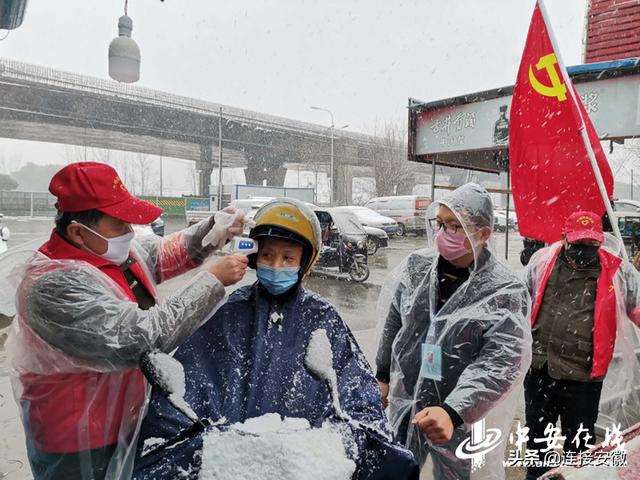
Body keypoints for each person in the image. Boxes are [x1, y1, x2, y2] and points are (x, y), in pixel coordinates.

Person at [134, 198, 418, 479]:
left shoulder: (323, 320)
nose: (276, 264)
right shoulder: (229, 314)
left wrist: (335, 443)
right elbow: (186, 393)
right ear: (256, 256)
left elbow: (358, 400)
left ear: (305, 261)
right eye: (268, 255)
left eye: (287, 258)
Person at [8, 162, 249, 480]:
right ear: (78, 231)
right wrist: (212, 281)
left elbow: (165, 253)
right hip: (76, 440)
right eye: (120, 225)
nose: (129, 234)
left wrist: (214, 230)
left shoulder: (108, 251)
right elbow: (144, 337)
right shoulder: (53, 285)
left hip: (123, 419)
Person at [376, 183, 532, 479]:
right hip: (408, 396)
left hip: (459, 413)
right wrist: (383, 375)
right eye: (440, 224)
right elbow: (396, 323)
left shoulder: (503, 289)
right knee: (397, 465)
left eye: (454, 226)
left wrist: (453, 410)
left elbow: (500, 362)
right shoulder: (418, 268)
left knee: (453, 473)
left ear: (483, 234)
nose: (442, 233)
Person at [522, 210, 640, 480]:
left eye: (591, 245)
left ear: (600, 241)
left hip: (583, 381)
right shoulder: (543, 262)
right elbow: (516, 302)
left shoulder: (618, 271)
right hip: (540, 372)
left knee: (581, 455)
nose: (584, 251)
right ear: (564, 238)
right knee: (538, 447)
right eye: (578, 244)